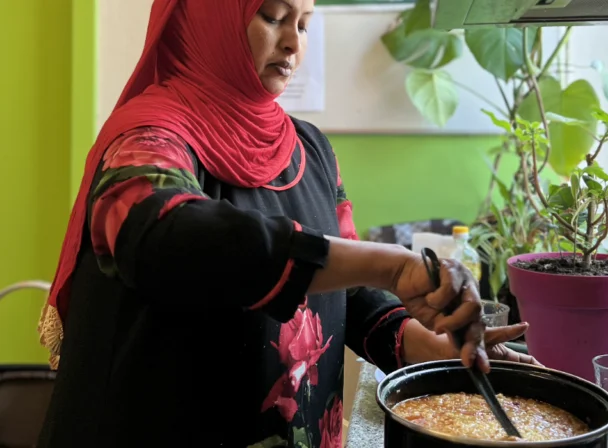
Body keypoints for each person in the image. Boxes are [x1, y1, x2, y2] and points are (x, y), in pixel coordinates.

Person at [36, 0, 538, 447]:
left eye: (304, 22)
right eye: (273, 17)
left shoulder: (308, 149)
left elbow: (349, 291)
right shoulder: (150, 136)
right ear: (205, 18)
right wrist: (390, 266)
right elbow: (160, 232)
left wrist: (424, 346)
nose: (294, 42)